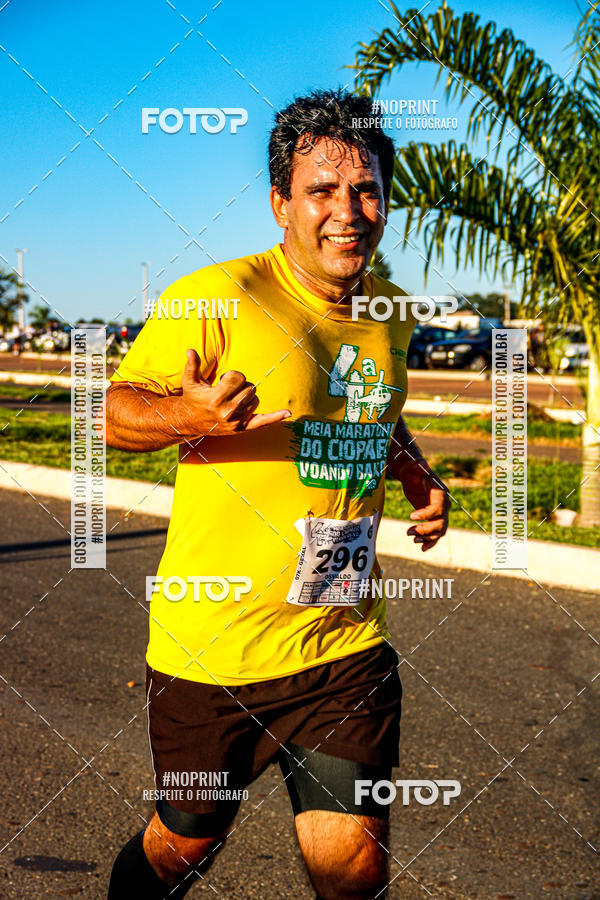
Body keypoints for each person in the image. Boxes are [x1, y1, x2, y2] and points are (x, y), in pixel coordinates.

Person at [105, 88, 449, 900]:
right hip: (214, 647)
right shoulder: (219, 294)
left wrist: (414, 474)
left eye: (366, 189)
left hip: (341, 642)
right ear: (280, 205)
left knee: (352, 866)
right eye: (322, 191)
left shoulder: (386, 318)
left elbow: (378, 411)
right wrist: (185, 414)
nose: (349, 211)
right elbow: (111, 411)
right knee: (186, 841)